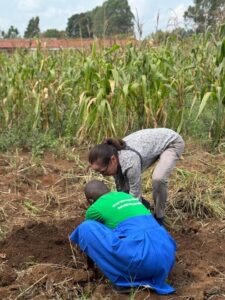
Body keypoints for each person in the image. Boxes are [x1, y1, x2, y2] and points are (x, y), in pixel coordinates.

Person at [70, 180, 177, 295]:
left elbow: (92, 240)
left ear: (90, 200)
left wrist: (90, 268)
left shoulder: (94, 208)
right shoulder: (125, 195)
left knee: (86, 228)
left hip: (142, 261)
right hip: (167, 257)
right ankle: (152, 276)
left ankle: (125, 282)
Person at [88, 128, 185, 225]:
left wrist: (128, 220)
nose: (103, 175)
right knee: (124, 189)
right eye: (99, 172)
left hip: (171, 143)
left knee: (158, 178)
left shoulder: (130, 162)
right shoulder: (113, 154)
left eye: (103, 171)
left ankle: (159, 217)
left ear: (113, 160)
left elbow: (134, 197)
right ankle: (145, 206)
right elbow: (122, 191)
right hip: (151, 145)